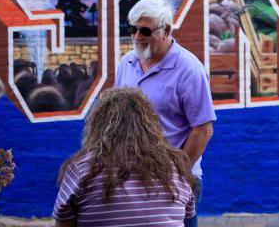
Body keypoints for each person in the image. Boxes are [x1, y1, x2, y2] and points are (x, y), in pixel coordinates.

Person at [114, 0, 215, 227]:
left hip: (173, 181)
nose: (138, 37)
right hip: (132, 179)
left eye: (146, 31)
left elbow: (203, 128)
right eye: (134, 29)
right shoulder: (127, 63)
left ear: (166, 30)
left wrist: (176, 173)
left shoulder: (189, 70)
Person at [53, 87, 195, 227]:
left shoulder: (81, 170)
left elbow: (63, 222)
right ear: (152, 126)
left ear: (97, 126)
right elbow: (187, 216)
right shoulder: (177, 169)